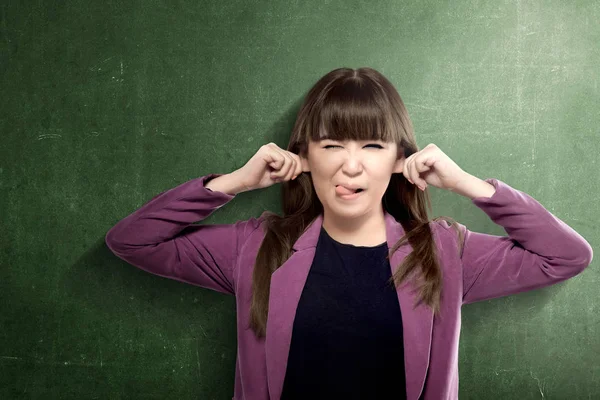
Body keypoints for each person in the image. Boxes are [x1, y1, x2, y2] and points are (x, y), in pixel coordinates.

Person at [105, 67, 593, 400]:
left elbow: (566, 257)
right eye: (332, 143)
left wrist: (467, 184)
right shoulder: (256, 248)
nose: (351, 165)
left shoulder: (444, 253)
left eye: (373, 144)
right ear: (306, 155)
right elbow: (132, 240)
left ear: (399, 159)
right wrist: (234, 182)